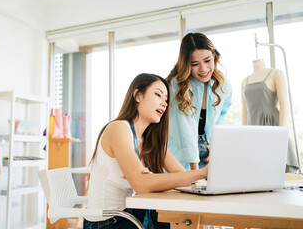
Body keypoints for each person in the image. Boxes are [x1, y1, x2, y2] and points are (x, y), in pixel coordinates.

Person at [84, 73, 208, 229]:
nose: (164, 103)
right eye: (158, 95)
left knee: (179, 220)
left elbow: (180, 173)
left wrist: (155, 181)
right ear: (138, 96)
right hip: (106, 223)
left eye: (166, 99)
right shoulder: (118, 129)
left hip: (131, 215)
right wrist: (202, 173)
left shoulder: (151, 140)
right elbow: (142, 184)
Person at [166, 32, 232, 170]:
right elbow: (185, 127)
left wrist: (215, 146)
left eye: (207, 60)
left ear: (214, 56)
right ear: (186, 64)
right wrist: (194, 169)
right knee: (186, 189)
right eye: (195, 64)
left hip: (207, 151)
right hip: (181, 152)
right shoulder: (177, 85)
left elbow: (221, 117)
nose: (203, 69)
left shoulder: (223, 85)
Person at [241, 59, 299, 172]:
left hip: (271, 126)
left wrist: (282, 134)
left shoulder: (276, 74)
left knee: (275, 168)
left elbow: (284, 106)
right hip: (252, 128)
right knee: (255, 169)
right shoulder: (244, 81)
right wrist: (243, 136)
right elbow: (245, 111)